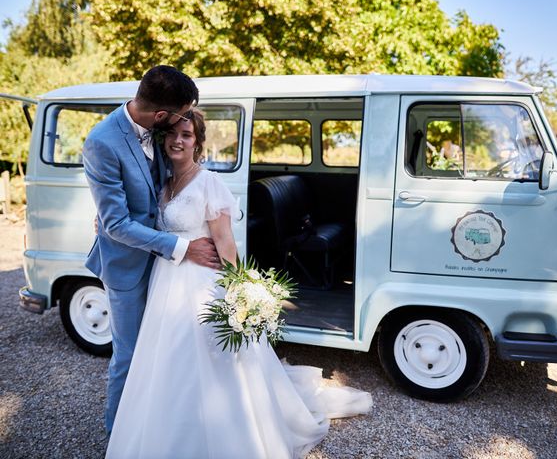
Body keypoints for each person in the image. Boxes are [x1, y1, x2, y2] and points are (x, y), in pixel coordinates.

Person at [105, 109, 372, 458]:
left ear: (198, 141)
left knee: (211, 360)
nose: (178, 140)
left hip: (201, 282)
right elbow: (145, 223)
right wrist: (104, 221)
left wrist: (237, 292)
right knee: (164, 359)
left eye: (187, 135)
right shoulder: (164, 182)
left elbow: (225, 242)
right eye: (172, 134)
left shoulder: (209, 182)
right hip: (166, 281)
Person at [82, 66, 220, 435]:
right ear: (161, 115)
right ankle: (119, 437)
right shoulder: (102, 142)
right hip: (126, 267)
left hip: (164, 269)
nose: (182, 123)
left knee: (164, 351)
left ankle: (159, 427)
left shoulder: (157, 130)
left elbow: (165, 186)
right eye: (179, 116)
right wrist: (183, 247)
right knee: (128, 356)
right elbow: (116, 224)